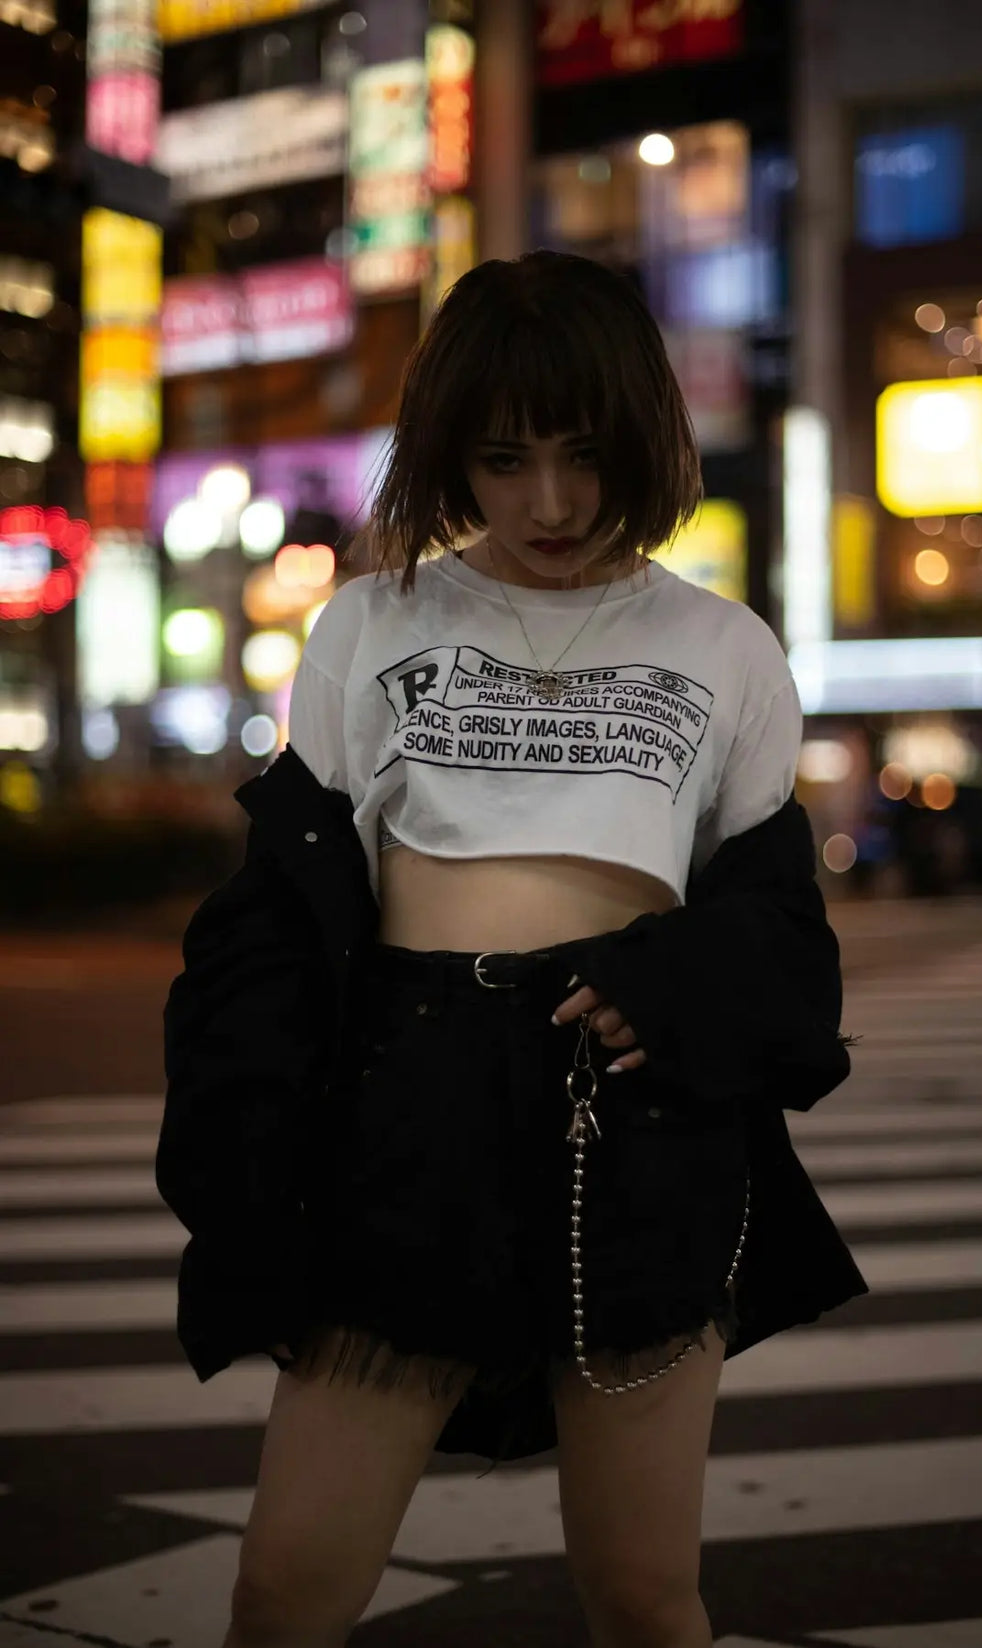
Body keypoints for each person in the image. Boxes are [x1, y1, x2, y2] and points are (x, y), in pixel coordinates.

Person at [157, 250, 865, 1648]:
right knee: (288, 1585)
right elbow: (281, 918)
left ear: (648, 439)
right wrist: (249, 1146)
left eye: (588, 454)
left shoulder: (724, 648)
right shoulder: (373, 621)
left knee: (645, 1593)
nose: (551, 501)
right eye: (502, 457)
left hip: (637, 1120)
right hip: (410, 1110)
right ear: (446, 457)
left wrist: (670, 985)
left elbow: (779, 931)